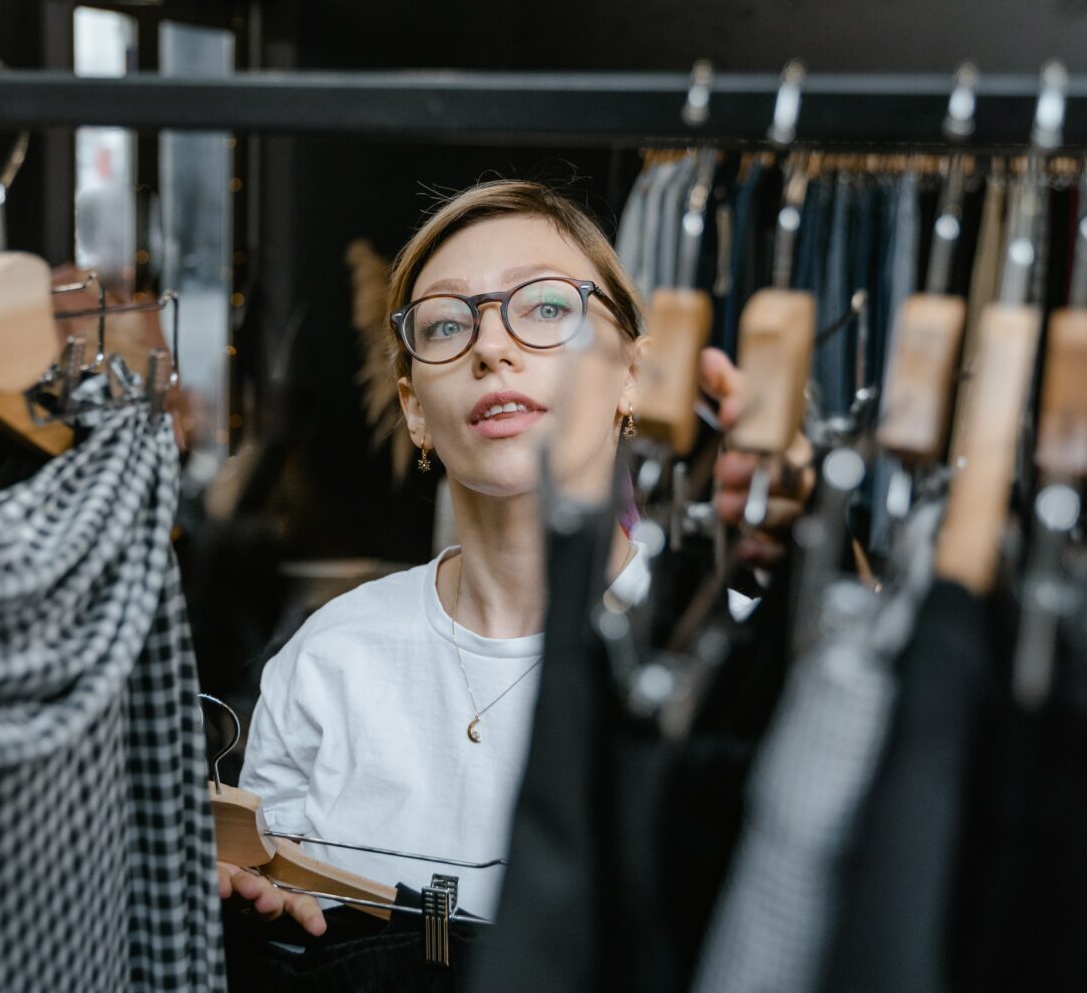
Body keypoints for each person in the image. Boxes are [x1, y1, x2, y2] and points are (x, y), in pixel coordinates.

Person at [221, 179, 808, 935]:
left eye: (547, 308)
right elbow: (276, 905)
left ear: (632, 373)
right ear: (413, 410)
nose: (492, 347)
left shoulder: (722, 652)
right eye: (443, 326)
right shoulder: (330, 660)